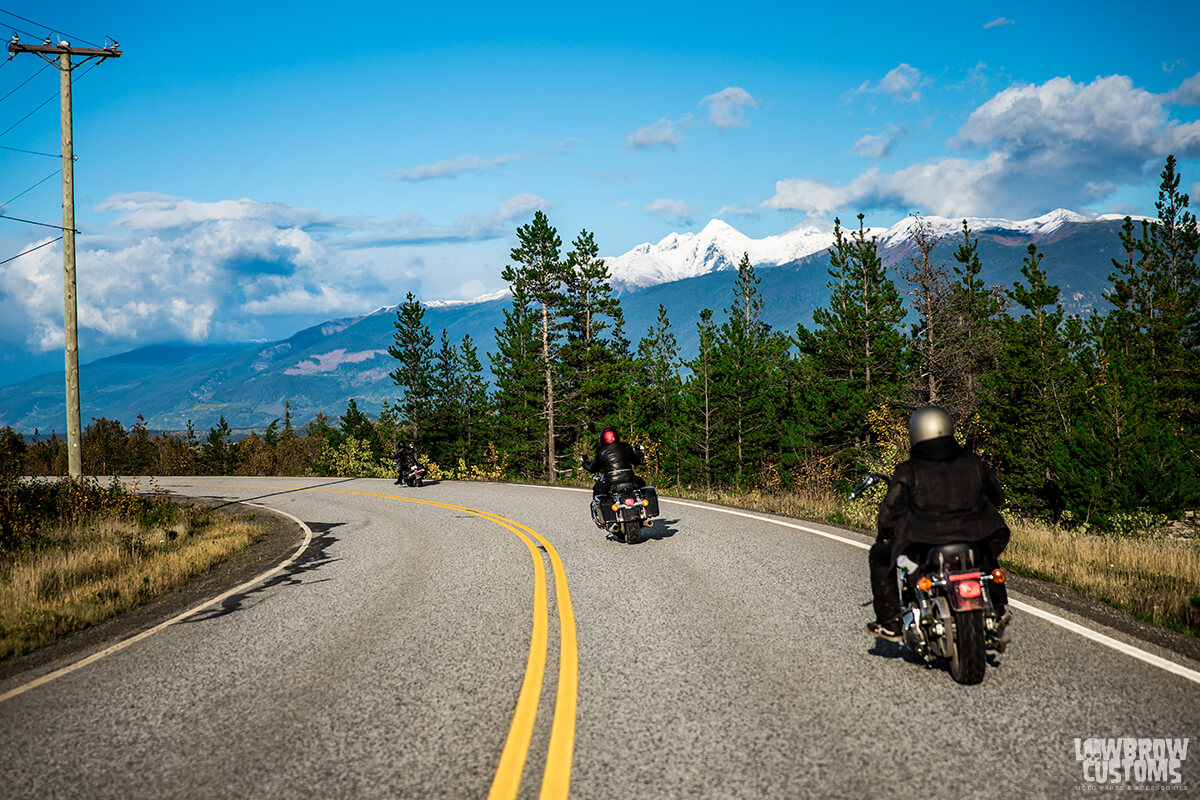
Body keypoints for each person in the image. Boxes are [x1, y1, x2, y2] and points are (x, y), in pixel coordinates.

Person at [866, 406, 1010, 643]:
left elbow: (891, 510)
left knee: (881, 556)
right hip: (977, 534)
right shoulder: (973, 462)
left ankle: (890, 623)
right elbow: (997, 496)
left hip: (926, 539)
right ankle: (998, 608)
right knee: (986, 560)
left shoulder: (909, 470)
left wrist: (885, 534)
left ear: (916, 433)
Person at [581, 427, 645, 499]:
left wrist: (584, 463)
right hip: (630, 479)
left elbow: (592, 468)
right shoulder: (626, 447)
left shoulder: (601, 451)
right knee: (642, 485)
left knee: (597, 490)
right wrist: (639, 452)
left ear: (603, 438)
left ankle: (602, 509)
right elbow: (637, 461)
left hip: (611, 481)